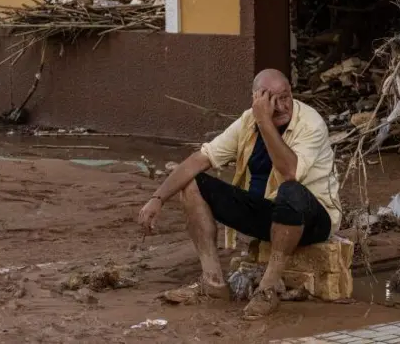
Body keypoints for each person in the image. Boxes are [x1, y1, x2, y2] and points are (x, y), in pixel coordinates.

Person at [138, 69, 341, 319]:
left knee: (291, 190)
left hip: (312, 219)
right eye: (270, 99)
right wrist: (157, 199)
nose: (280, 106)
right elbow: (199, 159)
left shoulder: (310, 123)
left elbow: (290, 172)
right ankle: (212, 283)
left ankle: (267, 290)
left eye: (285, 97)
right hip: (269, 212)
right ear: (256, 100)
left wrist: (265, 122)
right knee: (192, 183)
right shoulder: (248, 121)